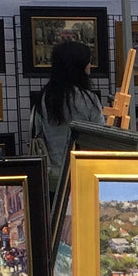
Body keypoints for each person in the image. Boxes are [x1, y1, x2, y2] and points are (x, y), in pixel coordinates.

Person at [30, 37, 104, 196]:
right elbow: (100, 141)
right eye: (88, 62)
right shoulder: (88, 99)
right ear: (80, 66)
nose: (90, 66)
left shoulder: (44, 98)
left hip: (51, 179)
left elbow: (38, 134)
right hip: (83, 177)